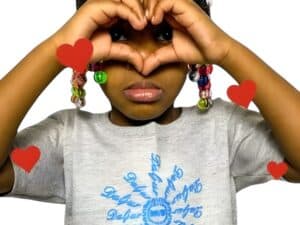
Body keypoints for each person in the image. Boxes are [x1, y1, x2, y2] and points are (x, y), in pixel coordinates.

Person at [0, 0, 300, 224]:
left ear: (197, 52)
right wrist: (58, 47)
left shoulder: (223, 129)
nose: (145, 61)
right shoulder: (68, 137)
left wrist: (225, 50)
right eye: (118, 35)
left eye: (165, 34)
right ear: (89, 58)